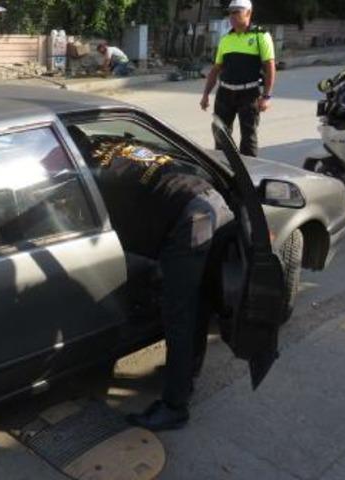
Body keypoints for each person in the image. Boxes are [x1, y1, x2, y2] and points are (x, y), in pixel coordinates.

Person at [71, 129, 234, 430]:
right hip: (213, 202)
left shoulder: (89, 174)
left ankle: (175, 407)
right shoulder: (112, 145)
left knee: (178, 314)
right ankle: (186, 375)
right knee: (198, 301)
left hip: (189, 220)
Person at [200, 0, 276, 157]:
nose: (232, 16)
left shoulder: (260, 36)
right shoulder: (226, 39)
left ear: (248, 13)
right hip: (224, 94)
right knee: (220, 135)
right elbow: (216, 69)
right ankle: (224, 170)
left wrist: (266, 96)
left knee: (248, 137)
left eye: (237, 12)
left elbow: (269, 67)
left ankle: (249, 175)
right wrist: (206, 94)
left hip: (249, 94)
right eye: (230, 12)